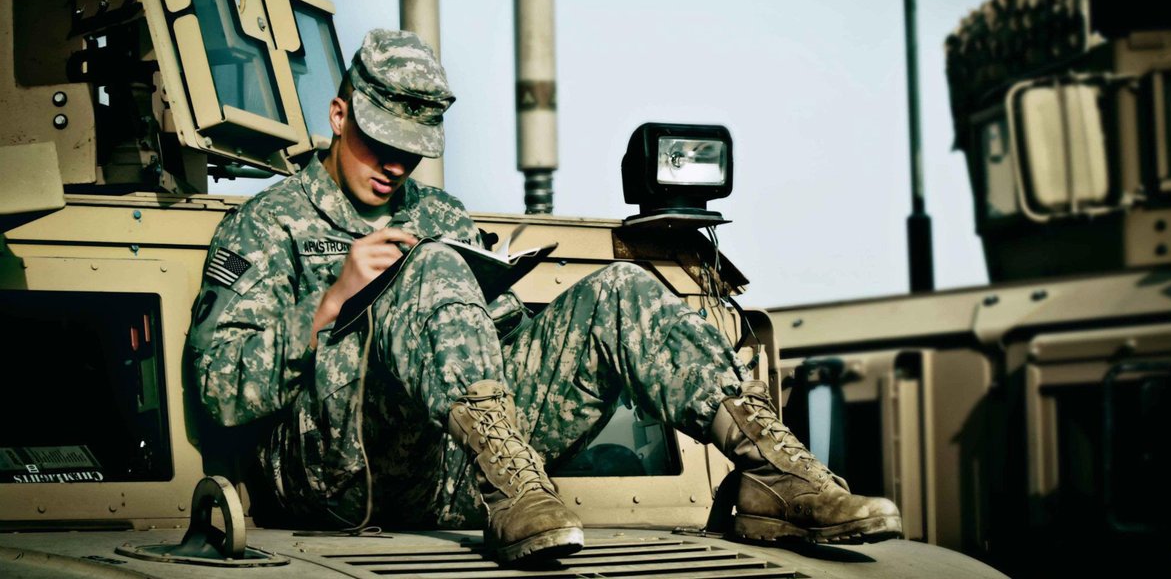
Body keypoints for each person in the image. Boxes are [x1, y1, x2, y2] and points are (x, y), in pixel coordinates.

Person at [186, 29, 901, 563]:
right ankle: (517, 495)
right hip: (334, 477)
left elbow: (485, 348)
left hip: (453, 469)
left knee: (622, 288)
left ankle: (777, 476)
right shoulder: (270, 223)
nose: (396, 163)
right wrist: (334, 300)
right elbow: (215, 391)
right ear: (340, 116)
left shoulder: (439, 216)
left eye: (411, 147)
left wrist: (494, 291)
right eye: (380, 141)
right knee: (433, 268)